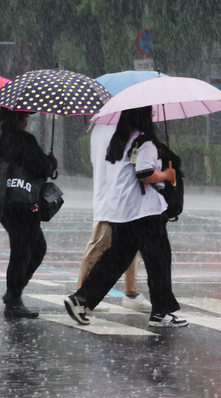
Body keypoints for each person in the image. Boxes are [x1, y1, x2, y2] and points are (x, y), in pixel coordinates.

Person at [64, 106, 187, 328]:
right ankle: (160, 312)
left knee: (116, 259)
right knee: (158, 261)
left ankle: (81, 300)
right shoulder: (145, 142)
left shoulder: (119, 141)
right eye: (149, 112)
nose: (152, 116)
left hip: (120, 212)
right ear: (141, 116)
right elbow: (144, 174)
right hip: (145, 213)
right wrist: (166, 175)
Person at [76, 123, 151, 312]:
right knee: (97, 249)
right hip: (110, 200)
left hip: (120, 200)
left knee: (130, 246)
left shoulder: (104, 128)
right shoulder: (114, 130)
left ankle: (131, 293)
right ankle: (81, 298)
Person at [0, 108, 58, 319]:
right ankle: (13, 299)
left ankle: (14, 293)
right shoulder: (25, 140)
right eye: (26, 116)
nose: (28, 120)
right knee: (27, 252)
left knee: (29, 249)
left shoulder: (2, 141)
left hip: (6, 205)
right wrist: (52, 162)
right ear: (19, 118)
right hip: (24, 205)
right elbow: (40, 168)